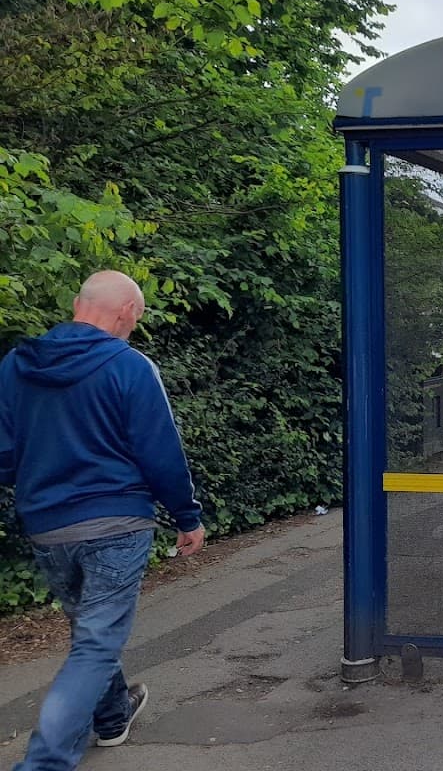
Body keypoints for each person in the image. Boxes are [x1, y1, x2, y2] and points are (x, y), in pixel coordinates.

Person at [0, 270, 205, 770]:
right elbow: (160, 452)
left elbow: (4, 454)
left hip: (47, 525)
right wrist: (187, 516)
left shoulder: (16, 365)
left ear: (78, 303)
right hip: (116, 523)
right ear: (127, 312)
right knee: (95, 642)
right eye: (137, 317)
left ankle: (112, 717)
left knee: (90, 631)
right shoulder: (129, 365)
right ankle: (45, 761)